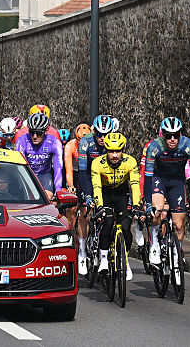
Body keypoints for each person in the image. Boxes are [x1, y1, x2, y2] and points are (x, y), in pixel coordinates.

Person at [144, 117, 190, 267]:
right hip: (158, 179)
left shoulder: (188, 145)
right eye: (169, 136)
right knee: (157, 211)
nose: (173, 139)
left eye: (176, 135)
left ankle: (177, 253)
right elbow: (148, 176)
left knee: (178, 224)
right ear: (163, 135)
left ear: (180, 134)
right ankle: (155, 243)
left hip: (177, 182)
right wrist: (148, 203)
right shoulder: (154, 147)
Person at [89, 132, 140, 277]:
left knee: (125, 226)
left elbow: (135, 185)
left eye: (118, 151)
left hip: (122, 193)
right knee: (108, 221)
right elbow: (97, 187)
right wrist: (99, 207)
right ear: (106, 150)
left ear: (123, 150)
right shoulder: (97, 163)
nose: (115, 155)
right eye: (111, 151)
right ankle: (104, 260)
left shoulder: (130, 162)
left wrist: (136, 205)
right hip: (104, 193)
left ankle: (125, 261)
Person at [74, 115, 114, 274]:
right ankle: (82, 251)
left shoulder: (114, 142)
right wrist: (87, 195)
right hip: (87, 177)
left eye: (106, 134)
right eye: (99, 134)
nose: (102, 138)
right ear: (94, 131)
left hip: (106, 179)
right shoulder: (86, 142)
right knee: (85, 214)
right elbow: (82, 172)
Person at [14, 112, 63, 199]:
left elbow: (58, 168)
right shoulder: (22, 140)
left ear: (45, 132)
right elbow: (20, 166)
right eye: (32, 132)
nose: (35, 136)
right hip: (26, 174)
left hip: (44, 175)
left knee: (48, 197)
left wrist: (58, 191)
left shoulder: (54, 142)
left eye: (39, 133)